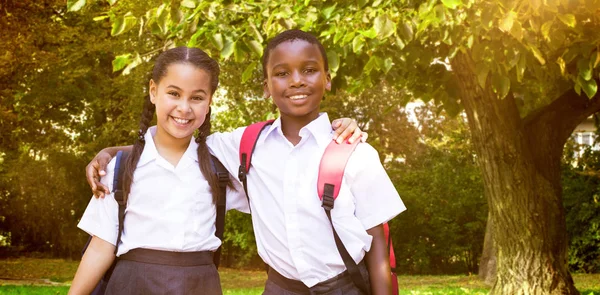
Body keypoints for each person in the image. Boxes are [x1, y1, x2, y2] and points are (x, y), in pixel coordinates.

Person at [88, 30, 405, 294]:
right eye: (281, 73)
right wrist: (114, 152)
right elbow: (174, 141)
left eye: (309, 70)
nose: (296, 81)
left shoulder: (354, 151)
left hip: (343, 287)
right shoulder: (246, 145)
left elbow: (378, 242)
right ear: (267, 87)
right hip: (279, 288)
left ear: (328, 78)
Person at [69, 47, 249, 295]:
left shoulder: (220, 166)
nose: (184, 108)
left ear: (209, 102)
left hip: (201, 286)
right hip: (132, 285)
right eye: (174, 93)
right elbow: (101, 247)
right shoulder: (119, 168)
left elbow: (270, 198)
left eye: (196, 97)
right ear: (154, 91)